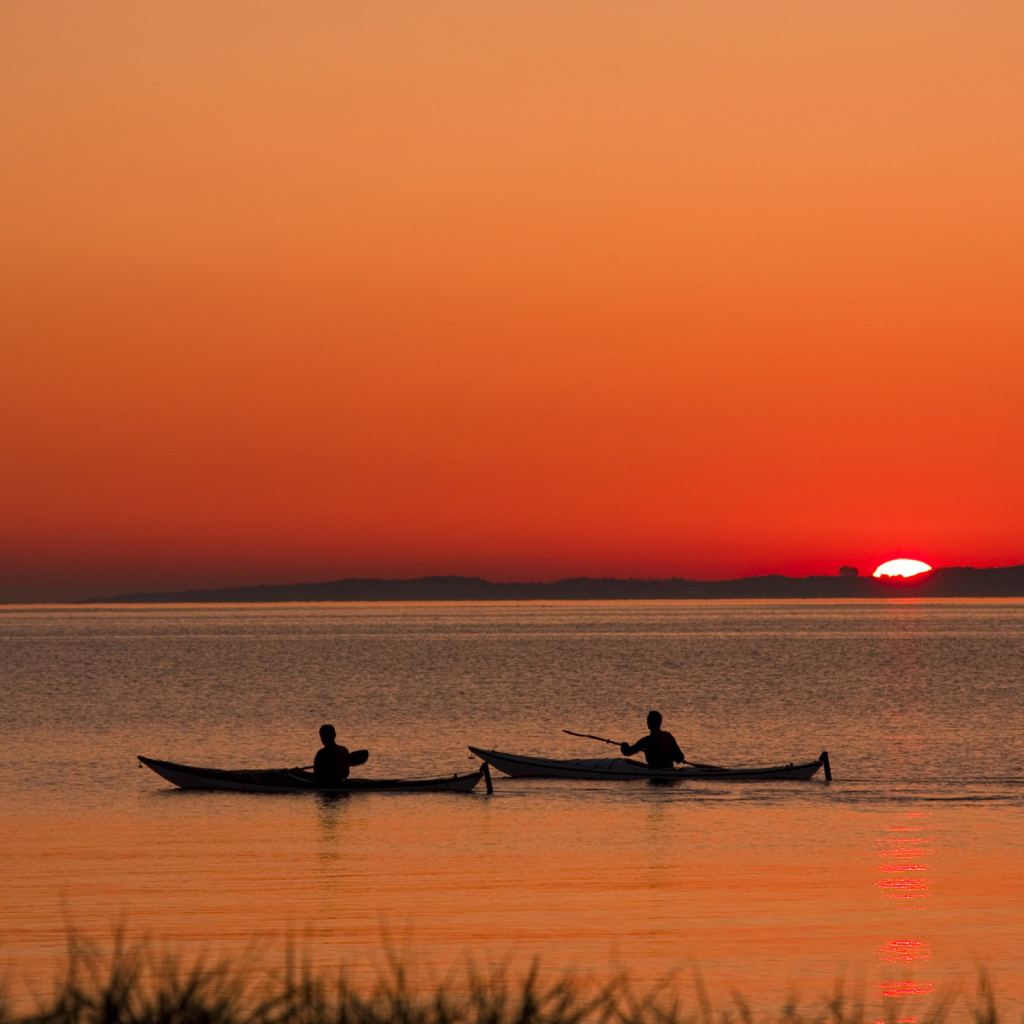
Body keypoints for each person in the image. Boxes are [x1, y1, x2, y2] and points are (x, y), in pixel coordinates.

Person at [620, 710, 686, 769]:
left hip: (655, 770)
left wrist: (624, 746)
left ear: (648, 723)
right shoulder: (668, 736)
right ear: (660, 723)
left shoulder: (647, 740)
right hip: (669, 768)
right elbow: (680, 757)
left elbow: (627, 752)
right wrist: (675, 758)